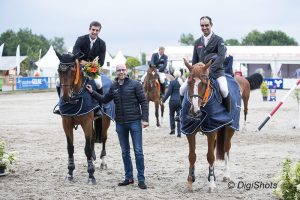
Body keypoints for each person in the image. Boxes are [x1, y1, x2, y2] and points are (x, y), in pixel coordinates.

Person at [86, 64, 149, 189]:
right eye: (119, 70)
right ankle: (129, 178)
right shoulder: (114, 87)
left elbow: (143, 102)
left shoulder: (135, 84)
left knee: (138, 151)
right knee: (125, 152)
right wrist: (92, 92)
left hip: (135, 122)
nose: (121, 72)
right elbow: (104, 99)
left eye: (123, 70)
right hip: (120, 123)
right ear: (116, 72)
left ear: (127, 71)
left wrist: (145, 119)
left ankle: (141, 179)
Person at [54, 20, 106, 114]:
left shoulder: (102, 44)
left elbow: (101, 62)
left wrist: (87, 64)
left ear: (99, 31)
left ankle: (99, 107)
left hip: (92, 68)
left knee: (98, 83)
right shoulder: (81, 39)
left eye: (97, 30)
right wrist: (82, 62)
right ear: (89, 29)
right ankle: (60, 104)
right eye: (93, 29)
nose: (94, 32)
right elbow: (75, 53)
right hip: (78, 65)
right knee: (58, 81)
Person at [181, 16, 230, 112]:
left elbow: (221, 57)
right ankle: (181, 112)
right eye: (202, 26)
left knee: (224, 90)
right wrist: (193, 72)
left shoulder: (219, 40)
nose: (204, 28)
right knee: (182, 89)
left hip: (216, 72)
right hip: (199, 74)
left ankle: (228, 113)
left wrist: (209, 70)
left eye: (206, 25)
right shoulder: (197, 42)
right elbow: (195, 60)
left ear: (211, 25)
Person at [162, 70, 183, 137]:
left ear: (174, 75)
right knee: (179, 116)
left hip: (173, 101)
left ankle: (173, 130)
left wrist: (163, 100)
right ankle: (179, 132)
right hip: (180, 101)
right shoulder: (182, 82)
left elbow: (168, 93)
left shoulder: (172, 82)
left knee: (171, 115)